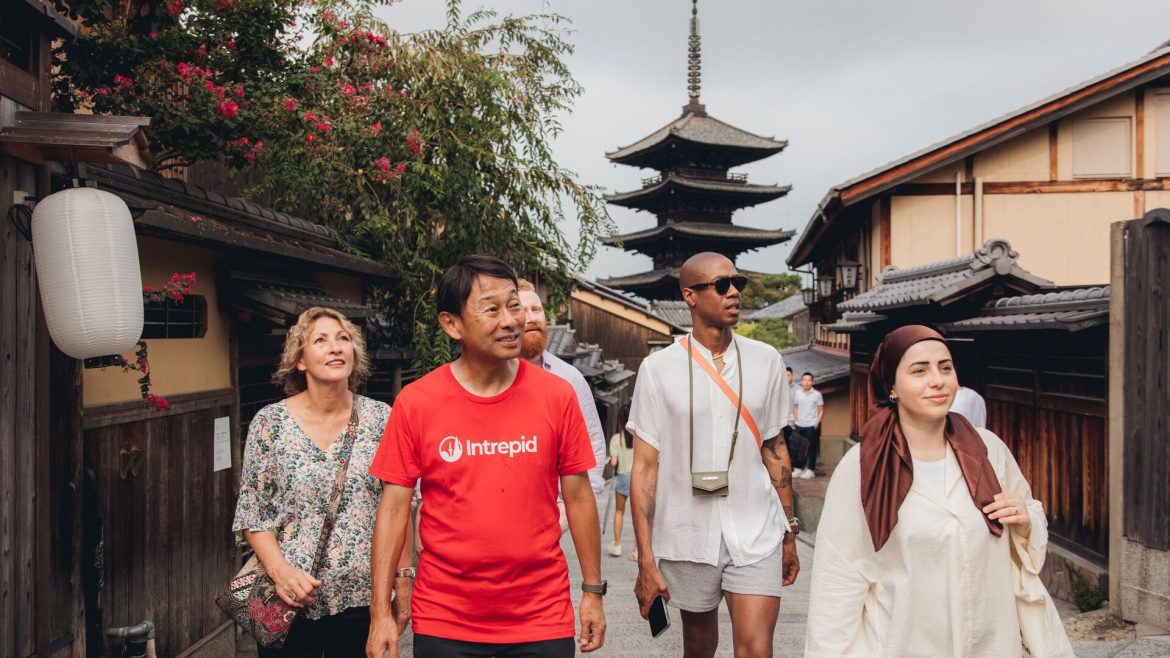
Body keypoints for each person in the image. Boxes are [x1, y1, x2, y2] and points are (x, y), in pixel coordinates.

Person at [366, 255, 606, 658]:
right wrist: (380, 615)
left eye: (514, 305)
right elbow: (393, 508)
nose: (511, 320)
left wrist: (593, 591)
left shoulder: (557, 395)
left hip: (541, 615)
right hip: (447, 617)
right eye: (491, 309)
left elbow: (579, 496)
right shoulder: (417, 403)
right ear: (451, 324)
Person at [804, 325, 1073, 657]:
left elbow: (1028, 526)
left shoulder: (988, 450)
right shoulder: (863, 466)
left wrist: (1026, 520)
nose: (937, 380)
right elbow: (839, 578)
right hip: (903, 645)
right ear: (891, 386)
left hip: (990, 645)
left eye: (945, 367)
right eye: (919, 370)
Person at [629, 252, 800, 658]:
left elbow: (776, 449)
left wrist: (789, 532)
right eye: (721, 285)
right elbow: (644, 468)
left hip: (756, 526)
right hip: (688, 531)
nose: (734, 292)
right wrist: (645, 560)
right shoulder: (658, 369)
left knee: (757, 650)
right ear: (690, 295)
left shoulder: (766, 360)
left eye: (737, 282)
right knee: (700, 647)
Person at [232, 307, 407, 658]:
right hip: (290, 600)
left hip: (364, 600)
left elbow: (401, 507)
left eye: (344, 339)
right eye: (321, 340)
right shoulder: (270, 424)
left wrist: (402, 583)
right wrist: (281, 573)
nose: (336, 347)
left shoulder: (381, 419)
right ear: (299, 360)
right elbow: (254, 513)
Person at [517, 279, 608, 532]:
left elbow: (592, 443)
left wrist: (567, 512)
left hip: (551, 514)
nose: (532, 318)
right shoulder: (490, 377)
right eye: (521, 311)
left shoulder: (568, 377)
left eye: (536, 310)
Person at [606, 407, 635, 559]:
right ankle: (637, 549)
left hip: (622, 477)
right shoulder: (639, 438)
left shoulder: (616, 439)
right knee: (638, 515)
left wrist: (611, 459)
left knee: (619, 512)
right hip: (637, 477)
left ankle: (617, 545)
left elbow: (614, 461)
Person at [791, 372, 824, 479]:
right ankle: (798, 468)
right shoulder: (798, 393)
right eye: (804, 380)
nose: (806, 382)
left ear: (813, 382)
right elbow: (795, 407)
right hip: (799, 424)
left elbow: (821, 410)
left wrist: (817, 422)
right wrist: (796, 419)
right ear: (801, 381)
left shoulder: (817, 394)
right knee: (798, 447)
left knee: (811, 447)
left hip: (811, 425)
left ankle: (810, 469)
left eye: (809, 380)